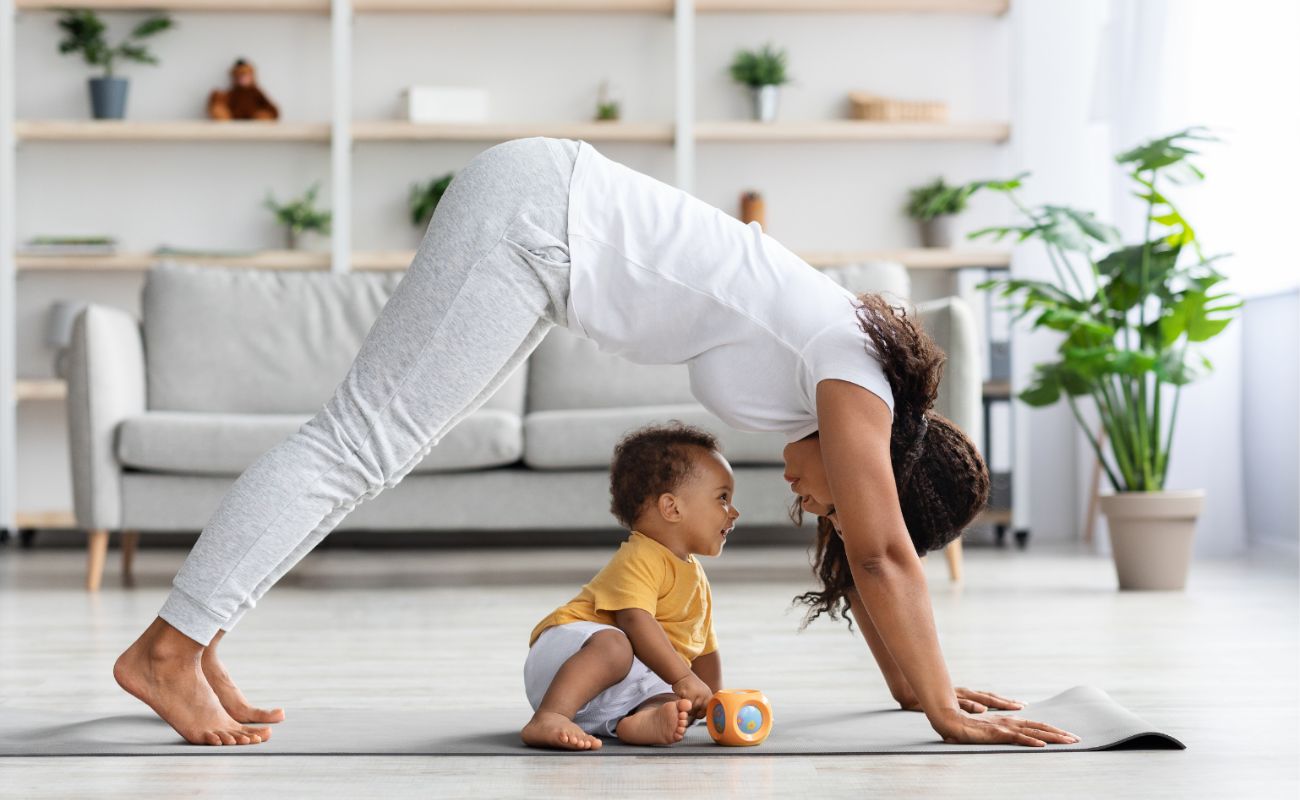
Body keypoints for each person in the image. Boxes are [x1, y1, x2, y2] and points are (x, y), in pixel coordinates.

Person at [114, 136, 1075, 748]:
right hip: (538, 220)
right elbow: (881, 552)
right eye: (829, 498)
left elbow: (863, 563)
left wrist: (922, 691)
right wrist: (946, 712)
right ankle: (167, 650)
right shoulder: (854, 373)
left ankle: (195, 645)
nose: (808, 502)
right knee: (357, 446)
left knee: (373, 454)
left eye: (819, 505)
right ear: (888, 472)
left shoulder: (843, 390)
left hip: (546, 241)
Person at [520, 423, 735, 750]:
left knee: (673, 701)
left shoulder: (695, 577)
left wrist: (711, 700)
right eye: (723, 498)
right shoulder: (642, 555)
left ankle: (638, 721)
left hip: (605, 693)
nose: (733, 512)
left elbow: (703, 647)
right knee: (617, 645)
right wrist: (684, 678)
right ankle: (549, 716)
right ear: (672, 507)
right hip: (567, 660)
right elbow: (635, 620)